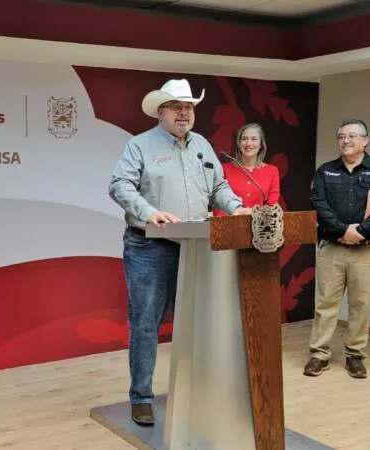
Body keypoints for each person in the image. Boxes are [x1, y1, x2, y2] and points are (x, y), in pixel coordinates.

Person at [108, 79, 250, 426]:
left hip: (196, 246)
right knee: (146, 324)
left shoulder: (202, 146)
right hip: (149, 247)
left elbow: (218, 186)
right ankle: (141, 398)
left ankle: (196, 392)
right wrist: (148, 212)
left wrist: (236, 207)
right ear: (161, 112)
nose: (183, 112)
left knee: (198, 323)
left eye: (188, 107)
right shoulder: (139, 145)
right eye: (176, 107)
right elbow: (119, 185)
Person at [303, 119, 370, 379]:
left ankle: (355, 355)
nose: (346, 140)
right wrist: (343, 230)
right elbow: (318, 203)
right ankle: (319, 354)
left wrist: (361, 232)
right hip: (332, 248)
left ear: (365, 140)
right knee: (325, 303)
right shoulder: (326, 171)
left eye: (352, 136)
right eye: (341, 136)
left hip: (367, 249)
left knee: (360, 304)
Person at [219, 123, 280, 210]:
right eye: (244, 139)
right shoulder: (224, 169)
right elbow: (219, 205)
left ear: (261, 144)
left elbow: (272, 206)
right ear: (239, 144)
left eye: (254, 139)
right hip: (230, 218)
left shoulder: (272, 171)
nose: (248, 143)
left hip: (260, 219)